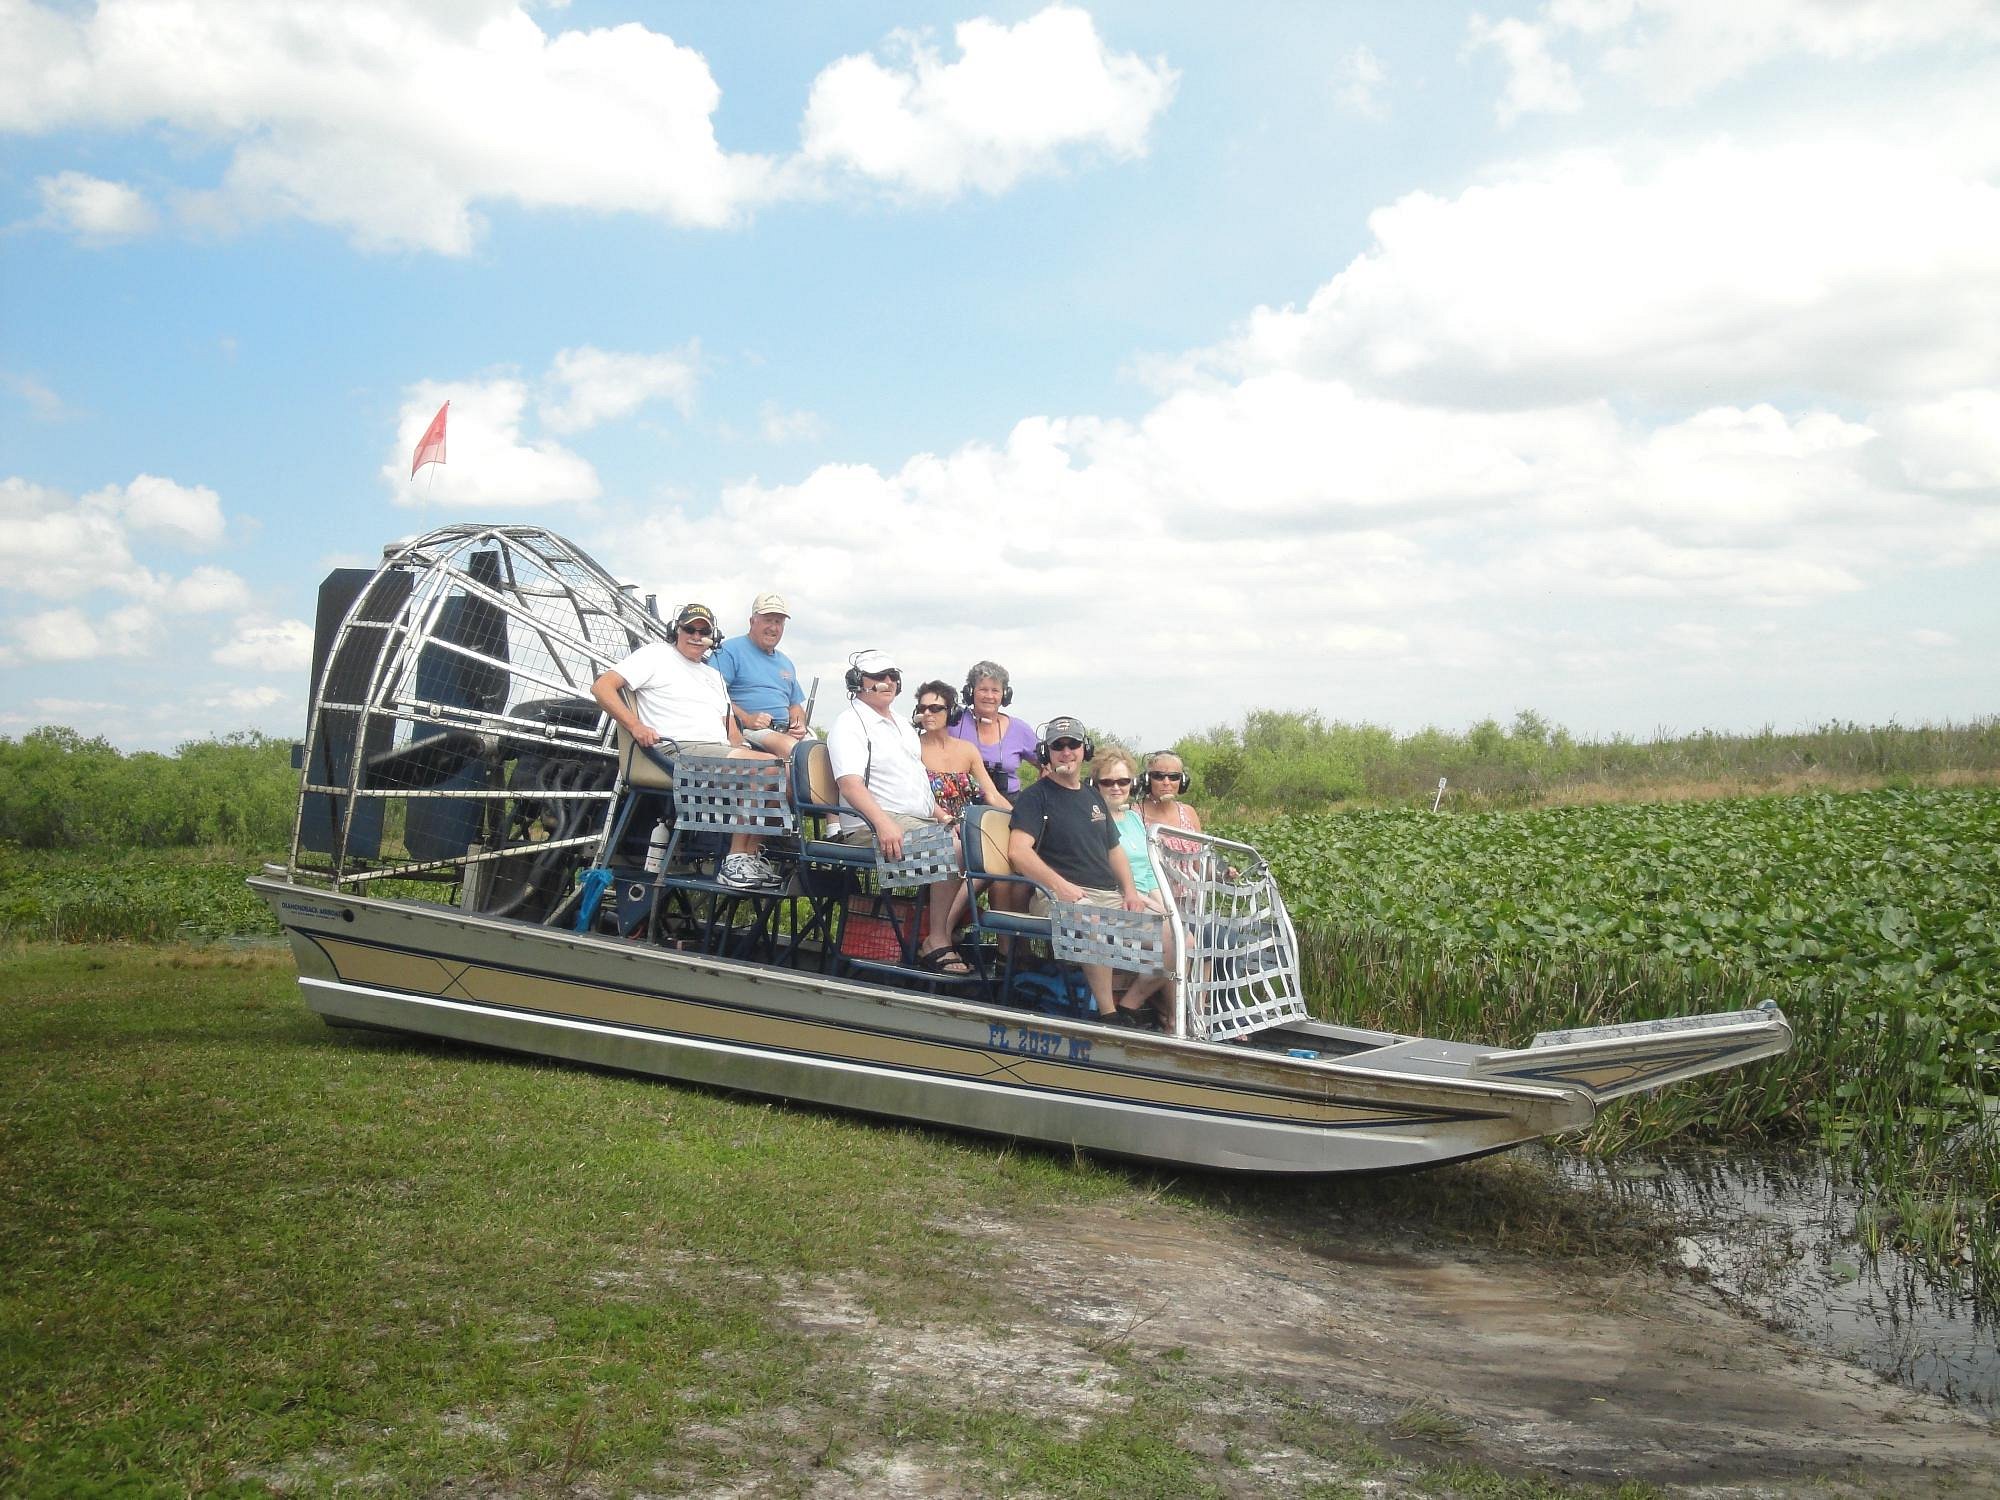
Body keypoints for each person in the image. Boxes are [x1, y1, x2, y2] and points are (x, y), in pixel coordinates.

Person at [591, 603, 781, 890]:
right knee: (764, 768)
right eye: (689, 629)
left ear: (711, 637)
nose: (695, 635)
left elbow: (729, 727)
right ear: (675, 631)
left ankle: (751, 856)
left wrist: (744, 745)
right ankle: (734, 860)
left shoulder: (712, 676)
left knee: (788, 775)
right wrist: (636, 726)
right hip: (674, 751)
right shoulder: (656, 655)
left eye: (703, 630)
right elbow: (602, 687)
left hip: (714, 750)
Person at [826, 651, 969, 976]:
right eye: (877, 677)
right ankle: (936, 939)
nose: (887, 682)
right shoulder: (850, 723)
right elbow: (849, 785)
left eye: (891, 675)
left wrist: (942, 815)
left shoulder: (903, 726)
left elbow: (916, 788)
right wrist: (883, 823)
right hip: (872, 825)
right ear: (857, 683)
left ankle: (943, 933)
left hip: (914, 819)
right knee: (953, 849)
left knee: (974, 843)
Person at [1007, 717, 1149, 1026]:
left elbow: (1115, 850)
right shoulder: (1035, 797)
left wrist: (1131, 892)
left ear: (1084, 750)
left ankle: (1130, 1009)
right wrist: (1061, 886)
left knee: (1177, 939)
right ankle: (1108, 1015)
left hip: (1108, 896)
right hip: (1056, 896)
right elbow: (1018, 852)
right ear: (1047, 753)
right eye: (1058, 746)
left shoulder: (1093, 797)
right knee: (1093, 919)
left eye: (1073, 745)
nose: (1066, 752)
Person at [914, 681, 1012, 940]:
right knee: (964, 849)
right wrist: (947, 820)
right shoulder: (912, 747)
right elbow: (918, 795)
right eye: (923, 708)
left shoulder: (966, 750)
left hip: (967, 825)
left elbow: (990, 794)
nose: (928, 714)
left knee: (999, 857)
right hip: (934, 823)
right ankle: (941, 934)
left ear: (951, 711)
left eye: (936, 708)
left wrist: (1020, 820)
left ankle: (947, 928)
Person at [1094, 748, 1175, 1028]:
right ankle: (1144, 1010)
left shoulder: (1134, 820)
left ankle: (1178, 1015)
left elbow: (1149, 871)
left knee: (1189, 934)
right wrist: (1139, 897)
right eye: (1108, 782)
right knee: (1179, 942)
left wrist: (1162, 904)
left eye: (1123, 782)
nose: (1116, 788)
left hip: (1146, 899)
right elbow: (1102, 874)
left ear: (1133, 784)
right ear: (1096, 785)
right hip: (1117, 898)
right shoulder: (1094, 820)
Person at [710, 592, 810, 756]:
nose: (773, 627)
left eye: (778, 622)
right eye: (768, 620)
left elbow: (795, 705)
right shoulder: (728, 651)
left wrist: (798, 725)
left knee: (820, 753)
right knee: (793, 751)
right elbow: (714, 695)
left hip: (784, 733)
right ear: (752, 621)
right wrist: (747, 719)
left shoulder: (786, 662)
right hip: (747, 731)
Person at [950, 660, 1038, 797]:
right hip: (964, 801)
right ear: (970, 692)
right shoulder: (953, 723)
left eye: (995, 690)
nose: (989, 696)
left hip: (1009, 802)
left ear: (1005, 694)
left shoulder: (1019, 729)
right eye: (983, 690)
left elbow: (1048, 764)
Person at [1139, 750, 1204, 834]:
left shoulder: (1189, 813)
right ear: (1147, 780)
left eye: (1174, 777)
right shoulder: (1134, 814)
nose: (1166, 782)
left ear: (1183, 782)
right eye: (1158, 776)